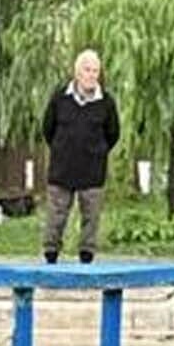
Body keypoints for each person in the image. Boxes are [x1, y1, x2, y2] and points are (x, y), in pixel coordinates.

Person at [41, 50, 120, 265]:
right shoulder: (60, 98)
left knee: (91, 217)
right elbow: (48, 128)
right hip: (62, 168)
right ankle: (50, 255)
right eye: (87, 70)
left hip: (92, 170)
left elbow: (113, 134)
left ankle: (87, 257)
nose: (92, 75)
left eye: (95, 71)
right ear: (77, 72)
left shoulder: (106, 102)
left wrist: (98, 152)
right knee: (56, 216)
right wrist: (61, 149)